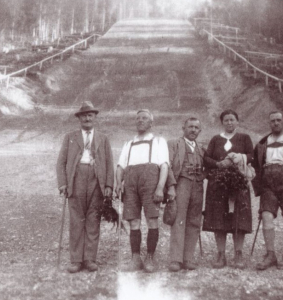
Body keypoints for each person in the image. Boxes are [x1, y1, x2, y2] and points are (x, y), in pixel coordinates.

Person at [56, 101, 114, 273]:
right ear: (79, 118)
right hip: (77, 179)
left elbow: (109, 163)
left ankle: (89, 258)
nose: (87, 118)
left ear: (95, 117)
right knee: (76, 220)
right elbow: (61, 163)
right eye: (84, 115)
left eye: (90, 115)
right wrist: (63, 183)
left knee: (93, 220)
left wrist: (109, 185)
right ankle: (75, 260)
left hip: (97, 180)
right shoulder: (70, 137)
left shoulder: (103, 138)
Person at [115, 109, 169, 273]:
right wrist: (118, 182)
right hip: (131, 185)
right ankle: (135, 258)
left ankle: (150, 258)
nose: (140, 121)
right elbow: (120, 166)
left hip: (151, 184)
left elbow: (164, 166)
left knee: (152, 220)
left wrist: (160, 187)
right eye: (138, 118)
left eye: (144, 118)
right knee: (133, 221)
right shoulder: (128, 144)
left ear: (151, 123)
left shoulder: (159, 141)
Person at [203, 109, 253, 269]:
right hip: (218, 184)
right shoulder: (216, 139)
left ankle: (238, 254)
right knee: (219, 216)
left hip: (238, 182)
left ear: (237, 122)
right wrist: (218, 164)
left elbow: (253, 155)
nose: (229, 123)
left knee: (239, 216)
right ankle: (221, 254)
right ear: (222, 123)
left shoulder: (244, 138)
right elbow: (206, 158)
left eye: (232, 120)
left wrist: (241, 157)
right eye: (226, 120)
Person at [252, 111, 283, 270]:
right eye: (273, 121)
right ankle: (270, 254)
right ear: (269, 123)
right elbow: (256, 166)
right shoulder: (262, 143)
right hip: (268, 183)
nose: (276, 123)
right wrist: (258, 185)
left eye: (279, 120)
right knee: (266, 215)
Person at [166, 117, 205, 272]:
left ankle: (188, 258)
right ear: (183, 128)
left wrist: (203, 176)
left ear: (200, 131)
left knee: (195, 221)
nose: (193, 130)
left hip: (198, 185)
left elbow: (208, 165)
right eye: (190, 127)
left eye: (196, 127)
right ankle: (176, 259)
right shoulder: (174, 144)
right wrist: (171, 186)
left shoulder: (202, 148)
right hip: (181, 183)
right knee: (178, 220)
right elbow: (167, 165)